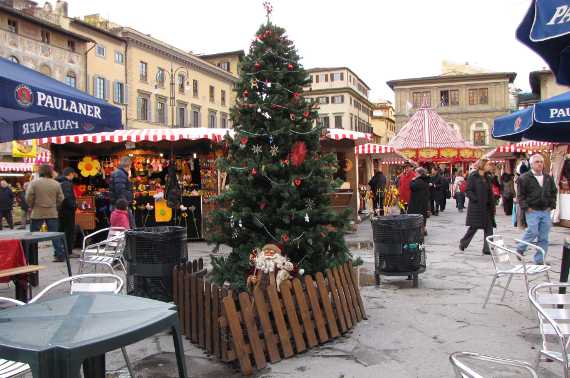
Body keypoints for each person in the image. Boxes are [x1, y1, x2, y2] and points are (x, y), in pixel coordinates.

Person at [515, 154, 557, 264]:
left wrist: (551, 205)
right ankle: (521, 247)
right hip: (532, 210)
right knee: (533, 231)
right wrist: (526, 208)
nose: (539, 164)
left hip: (545, 210)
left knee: (544, 237)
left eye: (541, 162)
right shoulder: (524, 178)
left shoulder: (548, 177)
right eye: (537, 162)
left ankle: (539, 260)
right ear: (531, 164)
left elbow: (554, 192)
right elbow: (520, 195)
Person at [26, 164, 65, 262]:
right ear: (50, 172)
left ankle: (31, 256)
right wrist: (55, 205)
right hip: (52, 211)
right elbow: (61, 198)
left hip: (37, 211)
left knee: (33, 235)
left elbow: (28, 197)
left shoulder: (34, 183)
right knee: (54, 235)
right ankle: (59, 254)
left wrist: (32, 205)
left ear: (40, 172)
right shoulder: (56, 184)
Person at [459, 159, 496, 255]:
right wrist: (475, 199)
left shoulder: (488, 177)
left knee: (489, 227)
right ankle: (463, 243)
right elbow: (468, 190)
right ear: (482, 165)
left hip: (487, 207)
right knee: (474, 227)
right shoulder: (473, 176)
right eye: (488, 164)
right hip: (477, 207)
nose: (490, 166)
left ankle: (487, 249)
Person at [57, 167, 77, 257]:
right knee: (69, 231)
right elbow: (67, 198)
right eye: (73, 175)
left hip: (61, 210)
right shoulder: (66, 184)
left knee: (61, 229)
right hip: (67, 211)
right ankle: (68, 252)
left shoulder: (59, 182)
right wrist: (74, 206)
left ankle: (60, 250)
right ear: (71, 174)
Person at [109, 156, 134, 227]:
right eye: (130, 166)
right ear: (128, 165)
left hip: (119, 205)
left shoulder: (120, 173)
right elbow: (120, 191)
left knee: (119, 227)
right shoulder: (120, 174)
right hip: (120, 206)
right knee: (125, 227)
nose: (130, 168)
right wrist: (124, 205)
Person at [408, 167, 430, 235]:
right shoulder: (425, 180)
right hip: (423, 201)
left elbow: (411, 186)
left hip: (416, 202)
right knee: (422, 216)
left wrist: (412, 180)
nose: (415, 174)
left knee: (416, 216)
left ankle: (419, 231)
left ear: (419, 173)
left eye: (416, 173)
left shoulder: (418, 181)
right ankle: (423, 229)